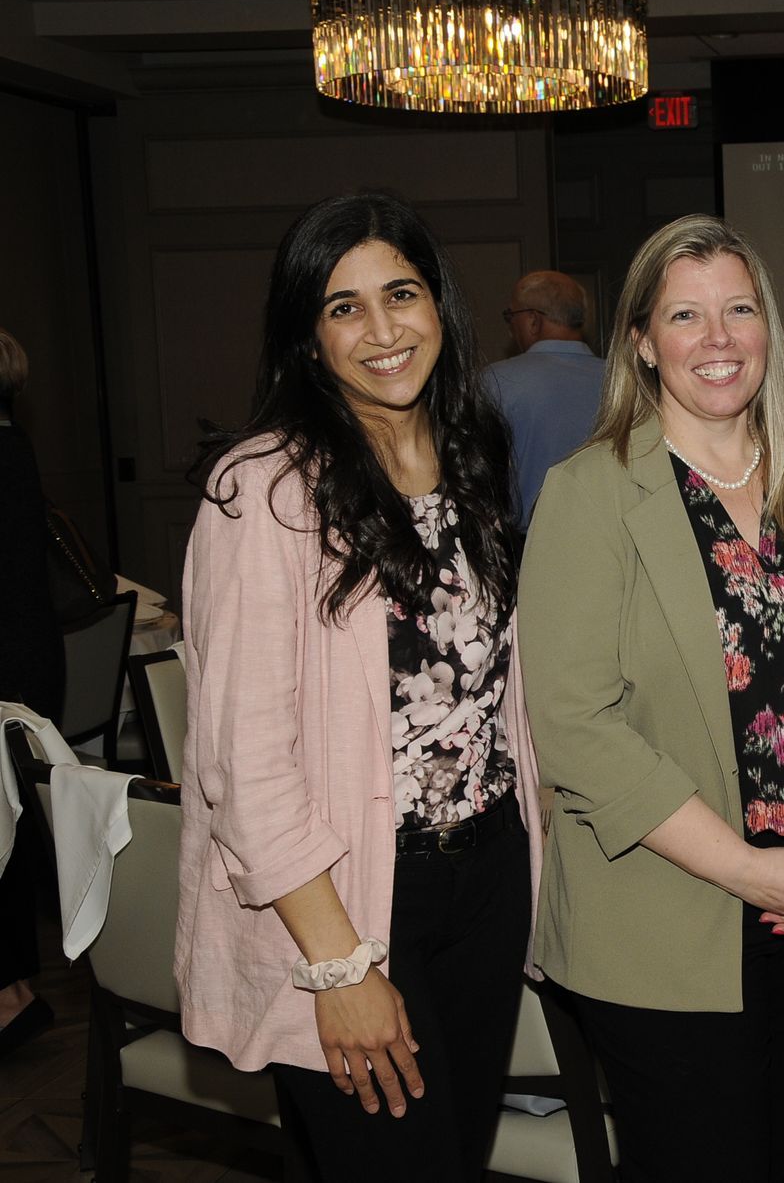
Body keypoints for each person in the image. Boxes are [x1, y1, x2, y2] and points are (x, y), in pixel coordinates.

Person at [518, 214, 784, 1182]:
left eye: (738, 310)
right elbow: (575, 725)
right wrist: (749, 871)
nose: (718, 338)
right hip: (671, 923)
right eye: (686, 315)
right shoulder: (592, 493)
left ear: (767, 329)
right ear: (644, 344)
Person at [176, 193, 542, 1180]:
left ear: (440, 306)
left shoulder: (471, 458)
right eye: (344, 308)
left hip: (489, 873)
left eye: (402, 294)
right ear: (306, 338)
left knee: (452, 1159)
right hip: (353, 898)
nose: (384, 331)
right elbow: (241, 764)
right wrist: (339, 968)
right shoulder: (263, 491)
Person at [0, 327, 61, 1058]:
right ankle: (15, 988)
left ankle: (10, 995)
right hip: (26, 655)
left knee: (2, 827)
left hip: (7, 665)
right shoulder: (16, 447)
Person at [484, 270, 605, 532]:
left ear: (533, 321)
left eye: (510, 316)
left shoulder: (495, 382)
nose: (510, 326)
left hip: (526, 548)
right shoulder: (623, 380)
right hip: (614, 542)